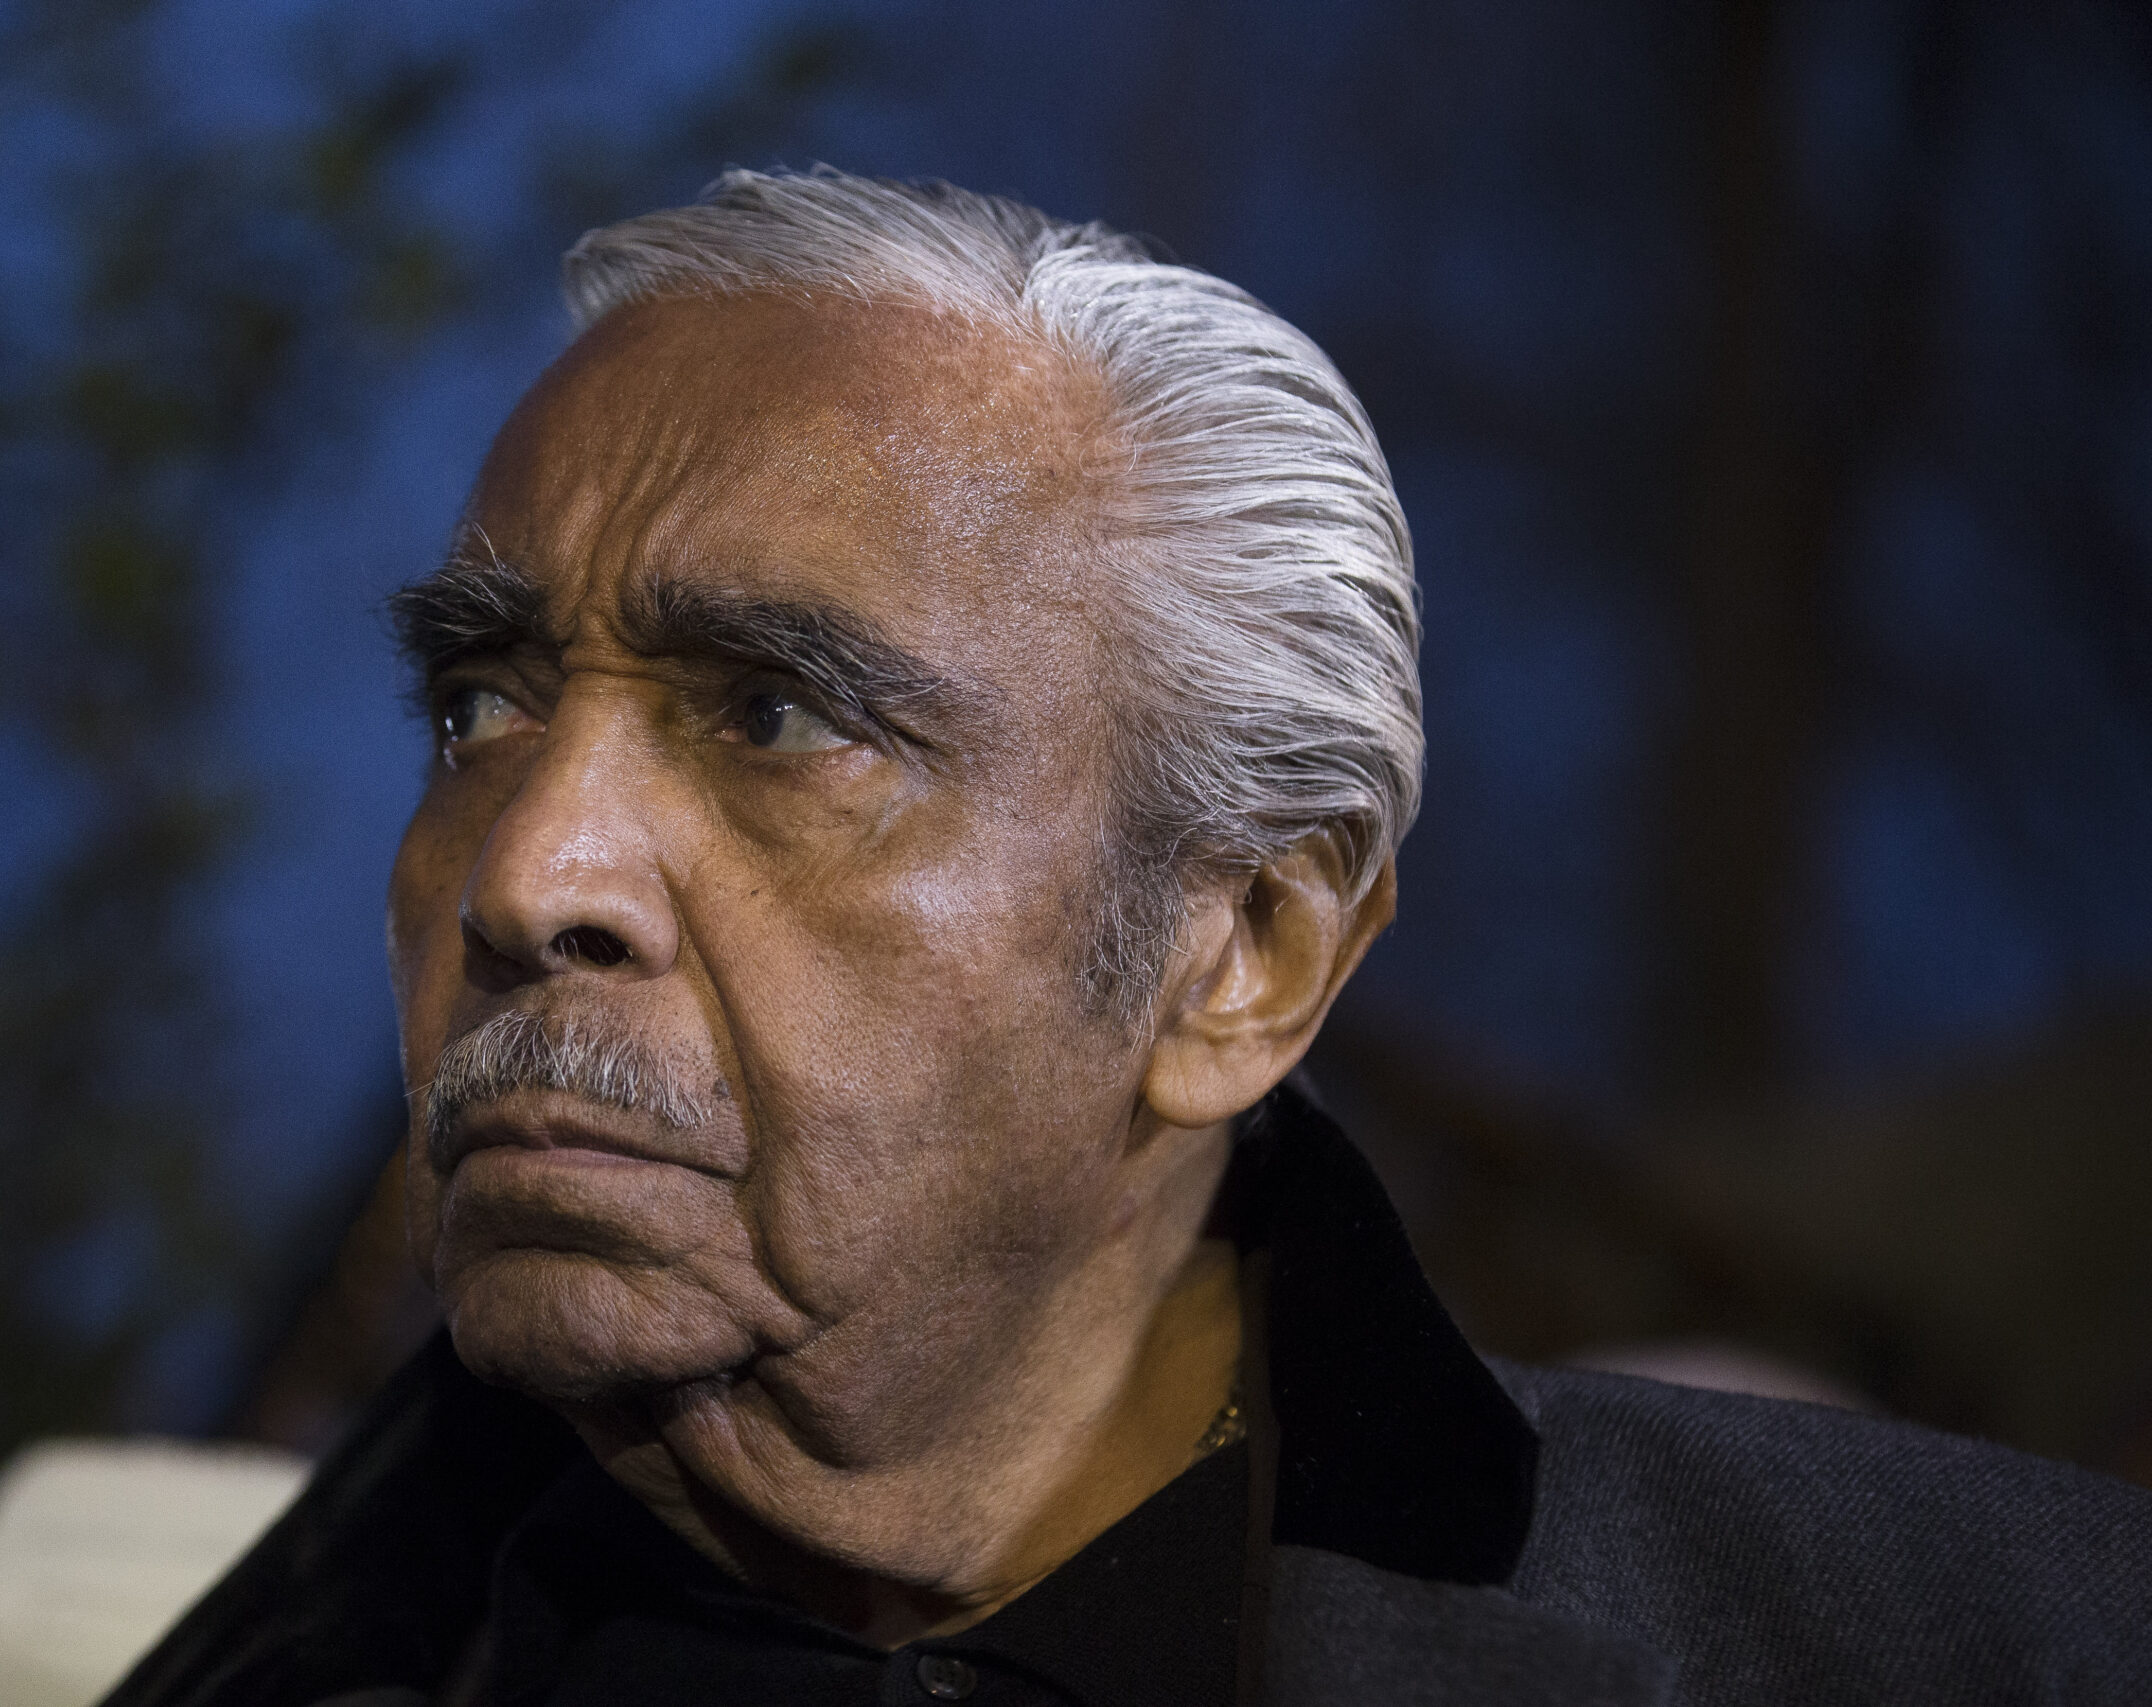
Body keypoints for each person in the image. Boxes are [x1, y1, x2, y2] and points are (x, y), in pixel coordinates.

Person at [108, 168, 2152, 1707]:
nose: (528, 871)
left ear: (1242, 952)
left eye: (776, 716)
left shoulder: (1998, 1642)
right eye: (479, 706)